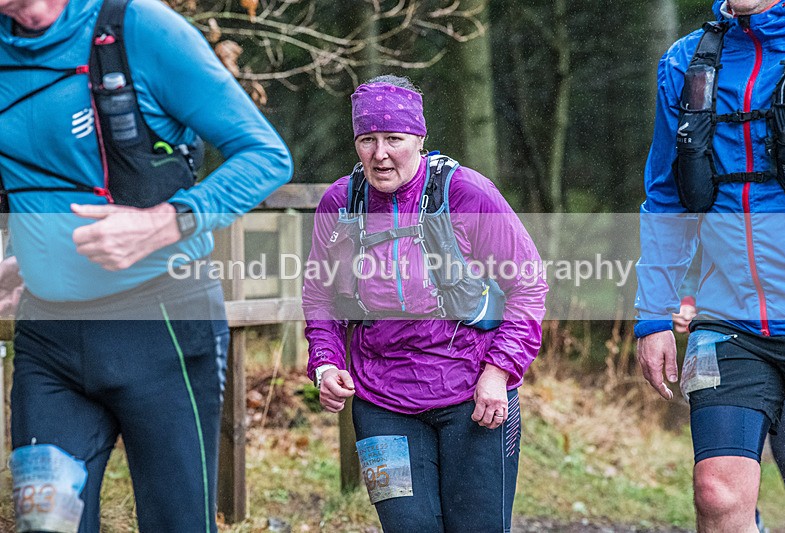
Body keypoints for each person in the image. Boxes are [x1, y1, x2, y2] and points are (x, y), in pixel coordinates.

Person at [0, 0, 292, 531]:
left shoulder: (140, 27)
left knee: (177, 523)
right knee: (45, 526)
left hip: (162, 324)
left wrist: (167, 221)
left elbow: (265, 156)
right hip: (50, 336)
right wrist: (29, 251)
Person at [302, 74, 547, 532]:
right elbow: (320, 295)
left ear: (419, 138)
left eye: (393, 138)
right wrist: (325, 362)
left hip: (473, 396)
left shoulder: (466, 193)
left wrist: (499, 374)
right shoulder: (340, 203)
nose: (379, 154)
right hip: (381, 401)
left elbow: (528, 286)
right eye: (367, 139)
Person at [636, 0, 785, 531]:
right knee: (716, 493)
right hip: (730, 319)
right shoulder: (685, 63)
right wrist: (654, 314)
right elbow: (665, 198)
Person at [673, 254, 785, 525]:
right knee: (720, 484)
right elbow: (688, 240)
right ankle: (747, 520)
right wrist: (685, 298)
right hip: (734, 332)